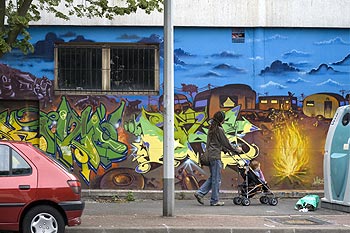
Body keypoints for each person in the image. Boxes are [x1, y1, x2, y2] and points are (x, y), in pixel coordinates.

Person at [194, 111, 242, 206]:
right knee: (216, 179)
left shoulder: (212, 128)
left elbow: (217, 143)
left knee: (213, 177)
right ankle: (214, 200)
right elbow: (225, 142)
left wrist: (224, 149)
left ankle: (200, 193)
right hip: (215, 156)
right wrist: (236, 150)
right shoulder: (219, 129)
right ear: (222, 119)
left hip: (211, 155)